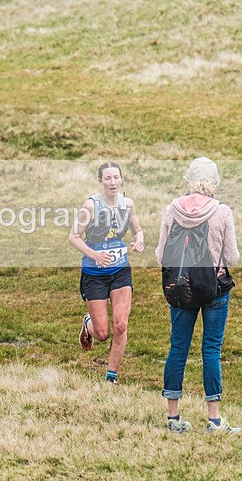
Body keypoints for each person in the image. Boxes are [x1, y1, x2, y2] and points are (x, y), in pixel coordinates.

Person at [155, 157, 241, 434]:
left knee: (178, 348)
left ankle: (172, 417)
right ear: (214, 182)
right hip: (213, 289)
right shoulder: (222, 211)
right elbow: (232, 257)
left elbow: (160, 254)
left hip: (180, 288)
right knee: (211, 351)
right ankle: (214, 420)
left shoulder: (172, 209)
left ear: (188, 180)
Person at [68, 162, 144, 385]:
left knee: (121, 324)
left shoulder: (127, 204)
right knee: (103, 333)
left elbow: (137, 230)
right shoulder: (90, 206)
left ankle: (111, 376)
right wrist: (94, 255)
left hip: (120, 271)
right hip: (94, 274)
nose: (112, 182)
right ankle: (88, 323)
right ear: (100, 181)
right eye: (107, 178)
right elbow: (73, 237)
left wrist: (139, 240)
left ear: (121, 180)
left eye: (116, 178)